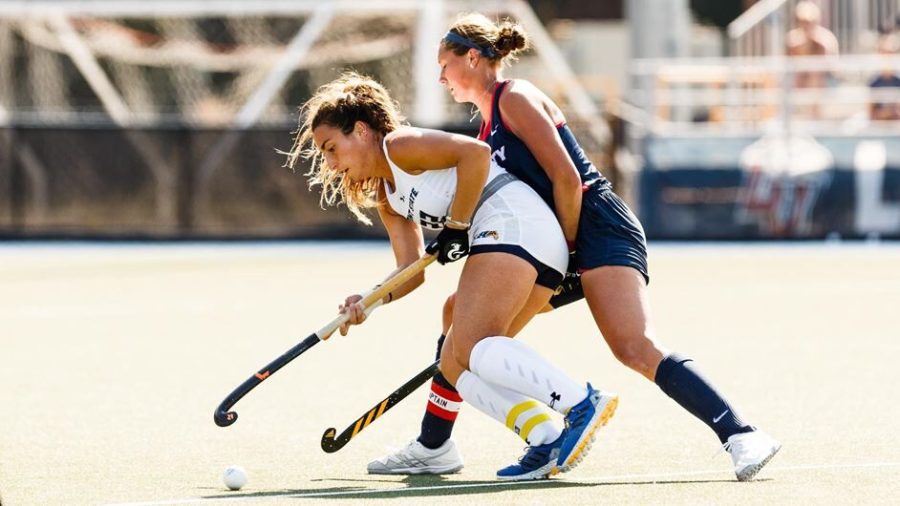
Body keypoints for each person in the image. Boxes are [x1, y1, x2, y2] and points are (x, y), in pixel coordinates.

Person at [368, 13, 781, 482]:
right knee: (461, 323)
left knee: (633, 346)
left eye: (445, 64)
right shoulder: (484, 131)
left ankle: (742, 434)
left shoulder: (515, 98)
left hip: (596, 226)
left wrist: (564, 249)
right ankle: (449, 442)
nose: (441, 76)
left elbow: (567, 177)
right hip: (557, 240)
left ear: (473, 58)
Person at [287, 72, 619, 480]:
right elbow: (410, 275)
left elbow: (476, 154)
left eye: (332, 148)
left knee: (472, 343)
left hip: (516, 223)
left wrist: (458, 225)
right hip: (523, 242)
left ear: (360, 130)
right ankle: (543, 436)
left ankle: (581, 402)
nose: (332, 163)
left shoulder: (400, 146)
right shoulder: (387, 198)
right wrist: (367, 302)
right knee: (455, 359)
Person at [869, 33, 900, 121]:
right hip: (879, 126)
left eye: (890, 53)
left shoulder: (898, 81)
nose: (887, 57)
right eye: (883, 53)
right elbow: (871, 113)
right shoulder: (874, 82)